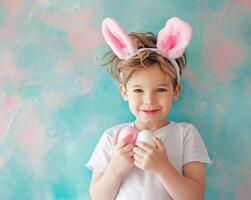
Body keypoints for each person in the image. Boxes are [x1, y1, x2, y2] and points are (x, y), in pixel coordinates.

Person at [86, 17, 211, 200]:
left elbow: (195, 197)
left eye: (160, 90)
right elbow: (98, 197)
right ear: (124, 92)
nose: (149, 100)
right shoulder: (112, 138)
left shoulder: (185, 134)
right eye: (138, 90)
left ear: (175, 91)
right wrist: (115, 168)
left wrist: (162, 168)